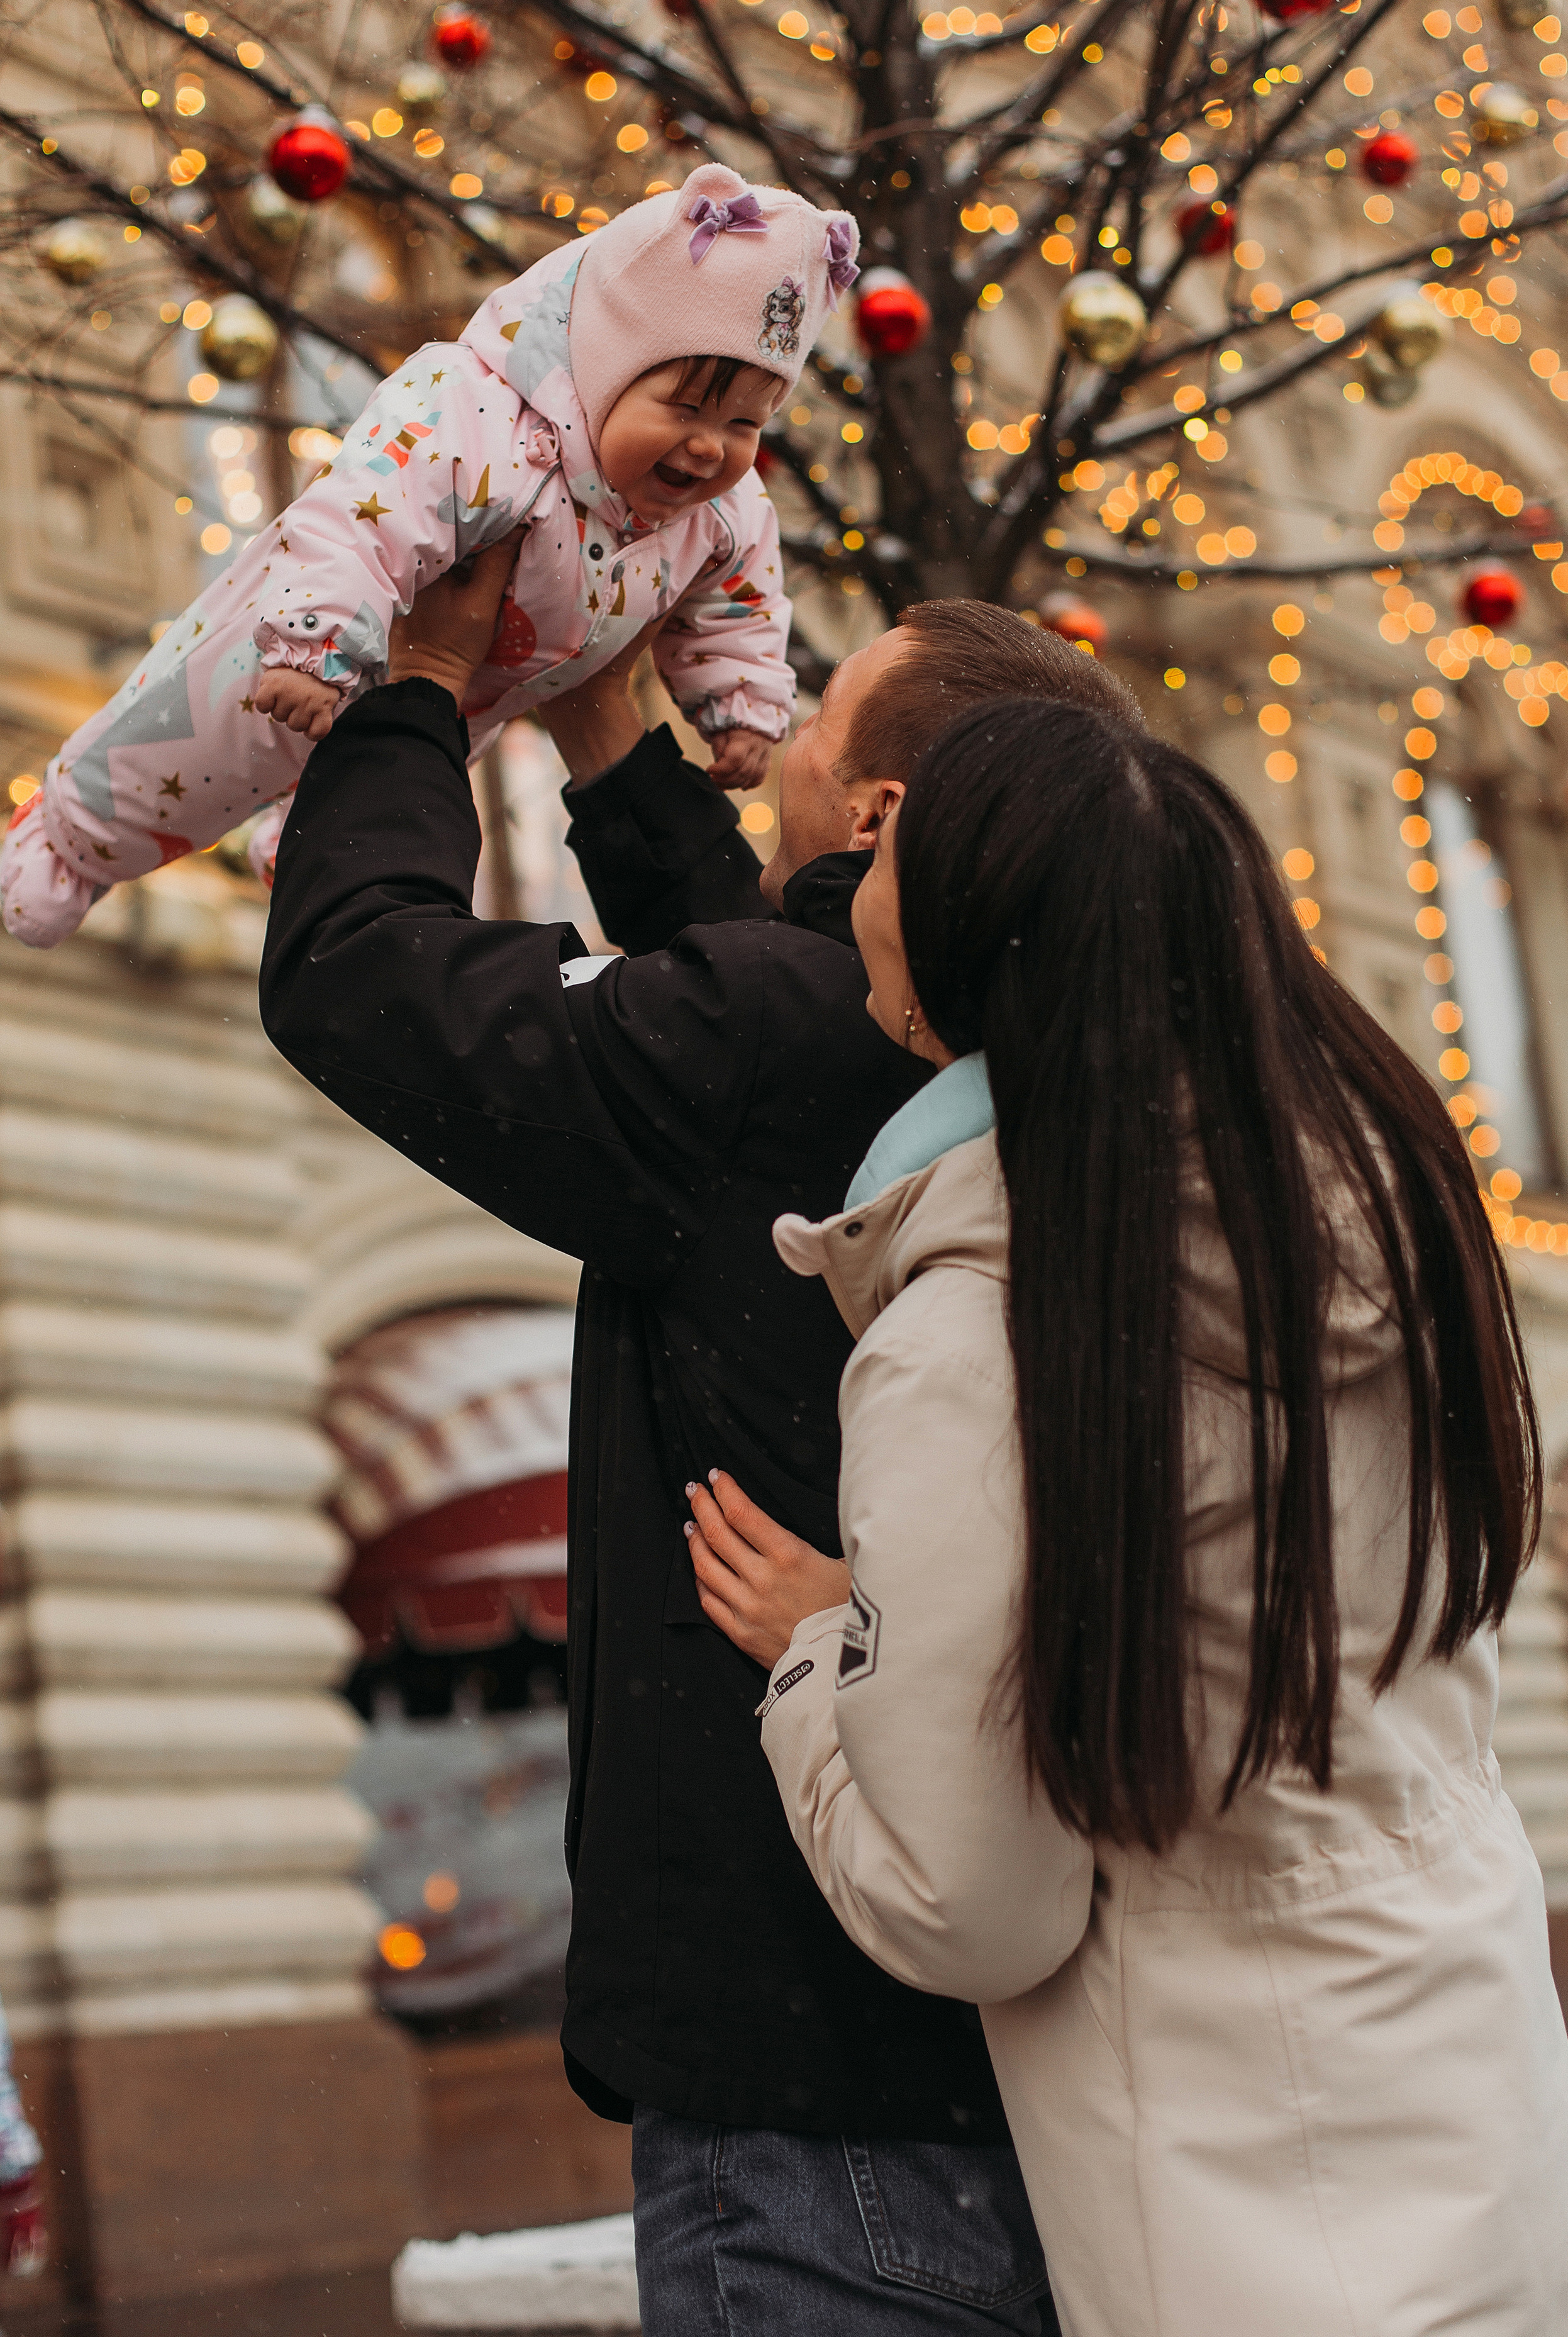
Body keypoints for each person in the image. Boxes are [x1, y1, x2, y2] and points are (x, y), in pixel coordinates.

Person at [260, 539, 1109, 2331]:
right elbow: (779, 987)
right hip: (1030, 2068)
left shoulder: (771, 1043)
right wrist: (604, 738)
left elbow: (358, 976)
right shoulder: (1029, 1046)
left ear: (878, 815)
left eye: (819, 721)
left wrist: (414, 692)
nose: (776, 734)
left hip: (806, 2081)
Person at [688, 694, 1568, 2336]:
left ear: (962, 949)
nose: (854, 855)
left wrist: (821, 1660)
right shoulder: (1386, 1220)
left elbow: (974, 1906)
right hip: (1482, 2138)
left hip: (1231, 2215)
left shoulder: (975, 1334)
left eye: (891, 843)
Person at [3, 160, 844, 951]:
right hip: (304, 640)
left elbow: (740, 603)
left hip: (465, 697)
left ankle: (302, 850)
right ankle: (68, 840)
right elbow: (358, 517)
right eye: (685, 409)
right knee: (187, 751)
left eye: (744, 423)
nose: (710, 447)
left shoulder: (723, 511)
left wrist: (740, 702)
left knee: (404, 781)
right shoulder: (478, 417)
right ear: (605, 365)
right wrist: (313, 635)